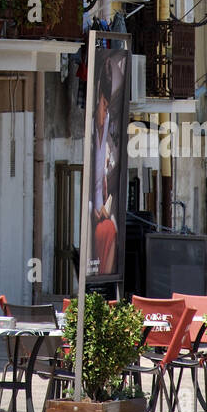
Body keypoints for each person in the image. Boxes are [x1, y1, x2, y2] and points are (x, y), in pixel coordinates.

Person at [92, 56, 119, 276]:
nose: (105, 114)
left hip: (102, 213)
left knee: (112, 227)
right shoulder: (92, 131)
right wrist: (95, 207)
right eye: (103, 106)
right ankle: (103, 276)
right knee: (109, 229)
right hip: (94, 216)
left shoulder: (106, 122)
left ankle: (105, 278)